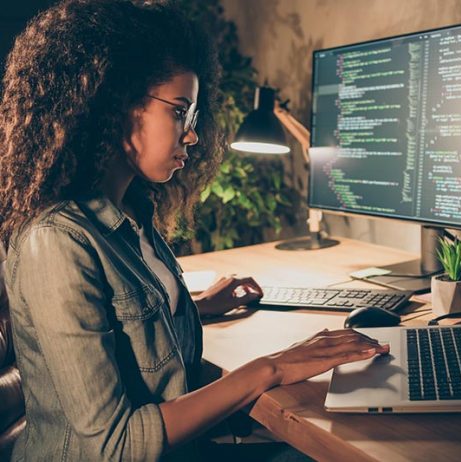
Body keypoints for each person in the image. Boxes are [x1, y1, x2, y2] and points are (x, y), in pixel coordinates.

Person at [0, 1, 390, 460]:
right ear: (114, 104)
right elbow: (113, 445)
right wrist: (273, 367)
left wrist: (198, 307)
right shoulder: (58, 241)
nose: (192, 134)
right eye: (180, 111)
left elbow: (124, 330)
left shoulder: (131, 217)